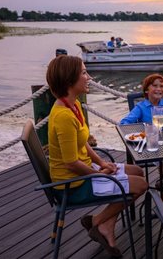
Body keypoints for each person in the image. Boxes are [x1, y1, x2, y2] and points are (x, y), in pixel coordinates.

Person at [46, 55, 148, 257]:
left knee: (137, 171)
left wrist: (102, 163)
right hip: (73, 185)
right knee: (141, 185)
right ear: (69, 80)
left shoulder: (72, 106)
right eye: (84, 73)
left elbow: (81, 142)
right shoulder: (64, 116)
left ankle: (105, 224)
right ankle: (97, 222)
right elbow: (70, 162)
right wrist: (101, 175)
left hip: (85, 172)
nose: (89, 77)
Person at [120, 73, 163, 188]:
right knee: (157, 145)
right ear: (147, 90)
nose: (159, 89)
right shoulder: (141, 107)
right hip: (151, 142)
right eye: (155, 86)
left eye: (162, 86)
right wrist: (142, 129)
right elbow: (124, 123)